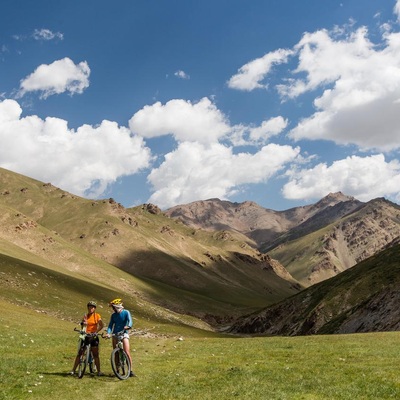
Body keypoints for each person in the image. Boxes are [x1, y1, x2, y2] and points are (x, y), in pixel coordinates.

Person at [70, 300, 104, 376]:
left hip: (93, 336)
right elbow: (82, 326)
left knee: (96, 354)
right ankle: (73, 370)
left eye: (92, 307)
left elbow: (101, 325)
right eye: (89, 307)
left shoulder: (97, 316)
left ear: (94, 308)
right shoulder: (85, 316)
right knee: (80, 353)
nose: (90, 308)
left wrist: (96, 331)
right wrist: (83, 324)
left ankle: (99, 371)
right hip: (86, 335)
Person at [106, 298, 135, 377]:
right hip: (115, 334)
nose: (113, 309)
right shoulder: (113, 315)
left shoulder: (126, 312)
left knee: (126, 351)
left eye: (113, 307)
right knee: (115, 353)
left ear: (117, 307)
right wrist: (108, 333)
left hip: (124, 333)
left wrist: (129, 326)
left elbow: (130, 321)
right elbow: (110, 325)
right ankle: (117, 370)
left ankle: (130, 370)